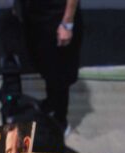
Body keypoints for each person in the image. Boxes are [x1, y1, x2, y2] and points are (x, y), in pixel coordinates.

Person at [15, 0, 81, 132]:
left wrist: (67, 23)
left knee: (59, 71)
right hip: (36, 15)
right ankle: (51, 103)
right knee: (45, 65)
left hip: (57, 16)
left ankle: (60, 120)